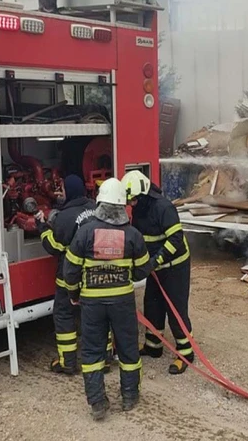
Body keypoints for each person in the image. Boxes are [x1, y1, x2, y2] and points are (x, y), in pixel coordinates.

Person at [63, 178, 154, 420]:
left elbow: (70, 270)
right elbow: (144, 269)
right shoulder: (133, 234)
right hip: (122, 302)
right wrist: (128, 275)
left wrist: (73, 294)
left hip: (91, 304)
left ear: (100, 203)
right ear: (123, 206)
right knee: (127, 349)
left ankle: (97, 404)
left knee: (92, 353)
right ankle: (129, 397)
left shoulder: (85, 233)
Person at [121, 170, 193, 375]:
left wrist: (156, 260)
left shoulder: (164, 207)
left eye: (133, 200)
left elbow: (176, 239)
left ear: (143, 194)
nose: (131, 204)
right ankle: (153, 347)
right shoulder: (140, 209)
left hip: (174, 267)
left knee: (176, 311)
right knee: (152, 306)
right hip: (155, 266)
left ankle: (185, 353)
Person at [36, 174, 96, 375]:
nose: (60, 192)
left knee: (64, 315)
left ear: (69, 191)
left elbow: (54, 246)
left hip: (70, 276)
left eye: (62, 189)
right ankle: (104, 359)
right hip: (95, 274)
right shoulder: (94, 208)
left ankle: (68, 362)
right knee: (97, 316)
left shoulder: (65, 217)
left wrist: (42, 227)